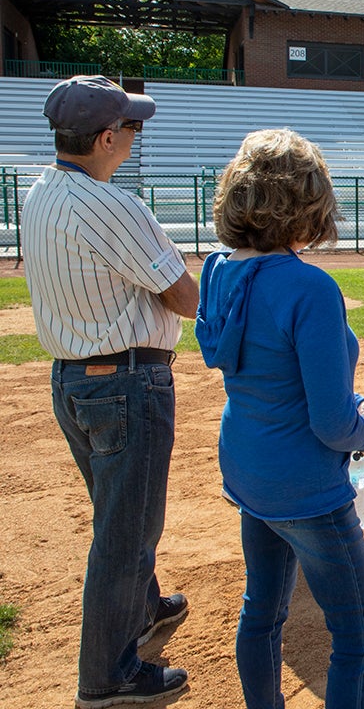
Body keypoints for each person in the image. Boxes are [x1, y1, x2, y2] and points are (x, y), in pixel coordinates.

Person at [195, 128, 364, 709]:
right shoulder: (309, 286)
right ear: (308, 204)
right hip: (305, 484)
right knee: (359, 634)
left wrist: (352, 410)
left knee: (262, 611)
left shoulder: (218, 270)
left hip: (247, 466)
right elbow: (332, 423)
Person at [22, 75, 198, 708]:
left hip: (74, 377)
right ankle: (107, 676)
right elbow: (184, 294)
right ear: (104, 138)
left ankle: (144, 610)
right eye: (129, 127)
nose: (133, 136)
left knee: (118, 515)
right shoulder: (112, 204)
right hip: (125, 378)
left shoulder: (40, 191)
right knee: (127, 533)